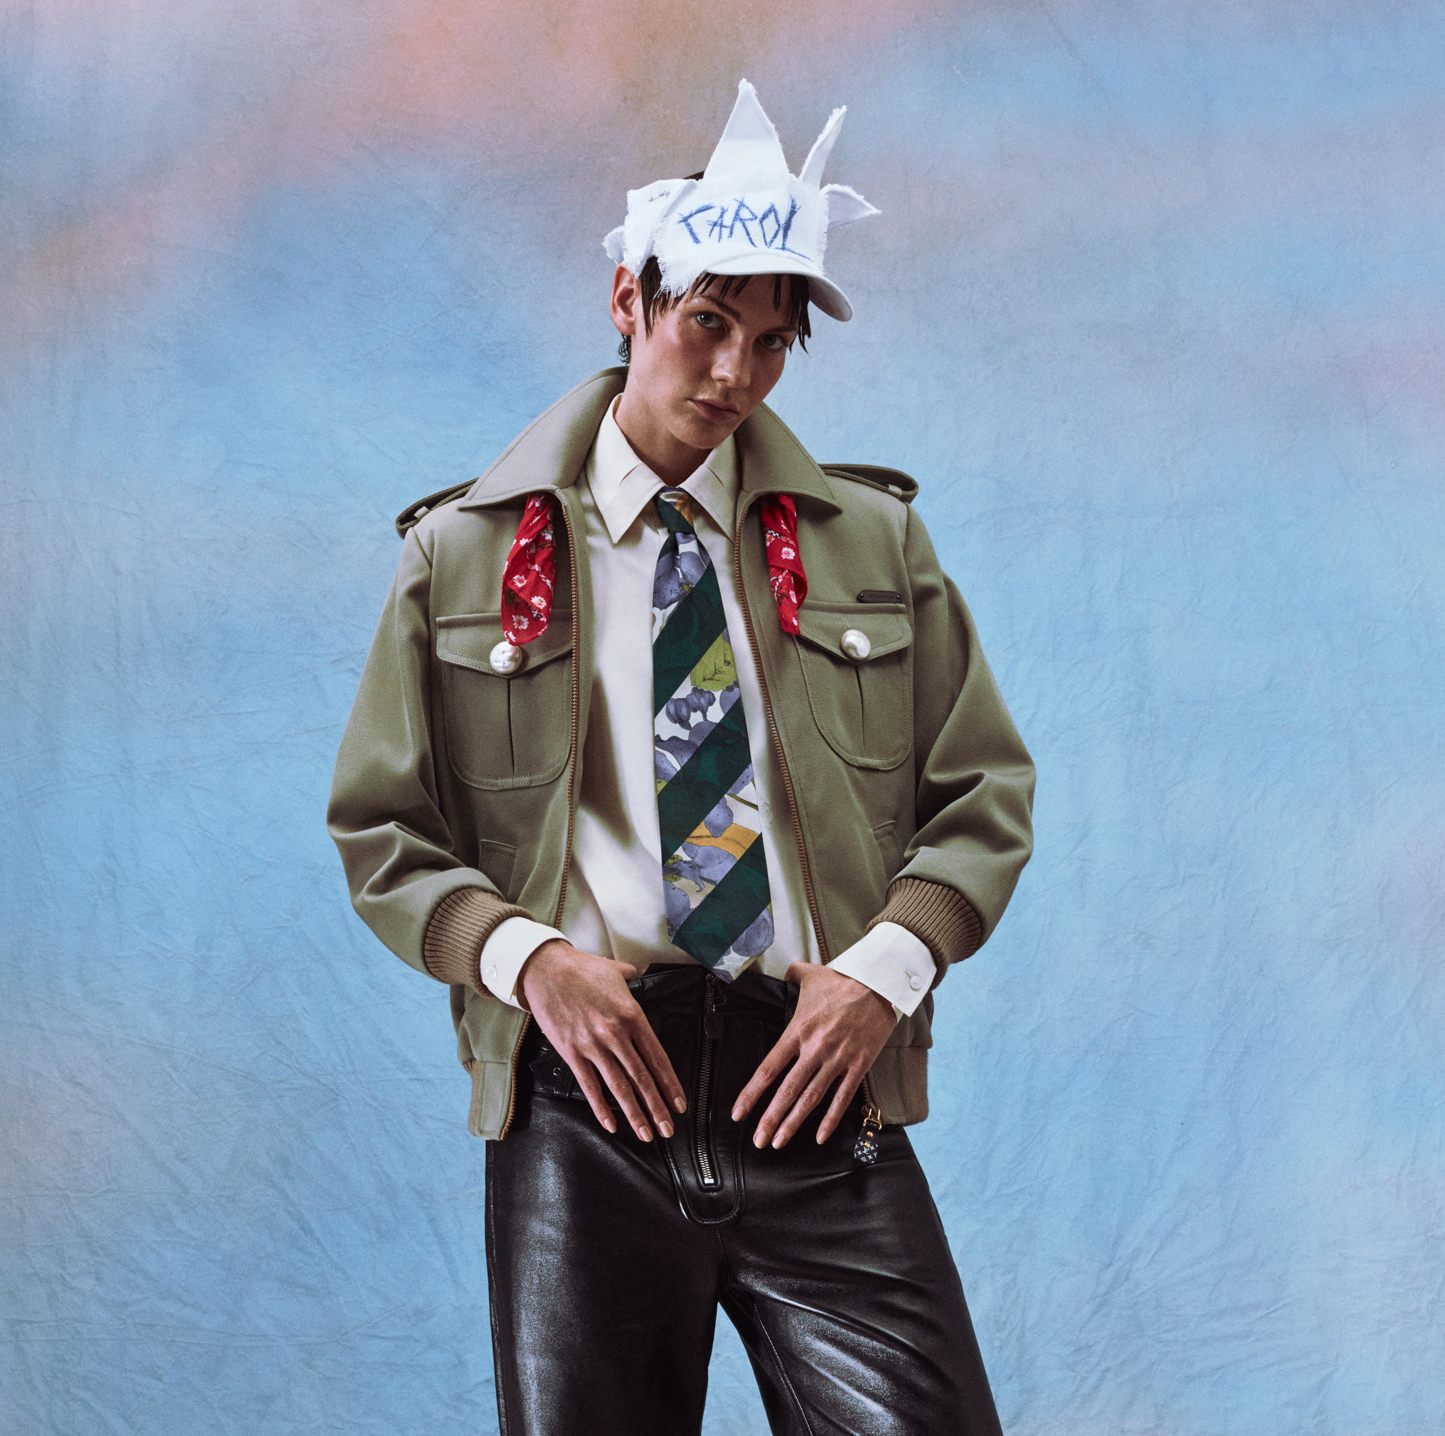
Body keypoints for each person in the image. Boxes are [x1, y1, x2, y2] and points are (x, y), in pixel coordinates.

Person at [328, 80, 1035, 1435]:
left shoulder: (872, 544)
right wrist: (528, 961)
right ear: (628, 301)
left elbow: (982, 797)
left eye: (771, 344)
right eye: (707, 324)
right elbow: (383, 829)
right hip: (586, 1098)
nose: (733, 375)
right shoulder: (464, 556)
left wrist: (882, 977)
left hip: (815, 1088)